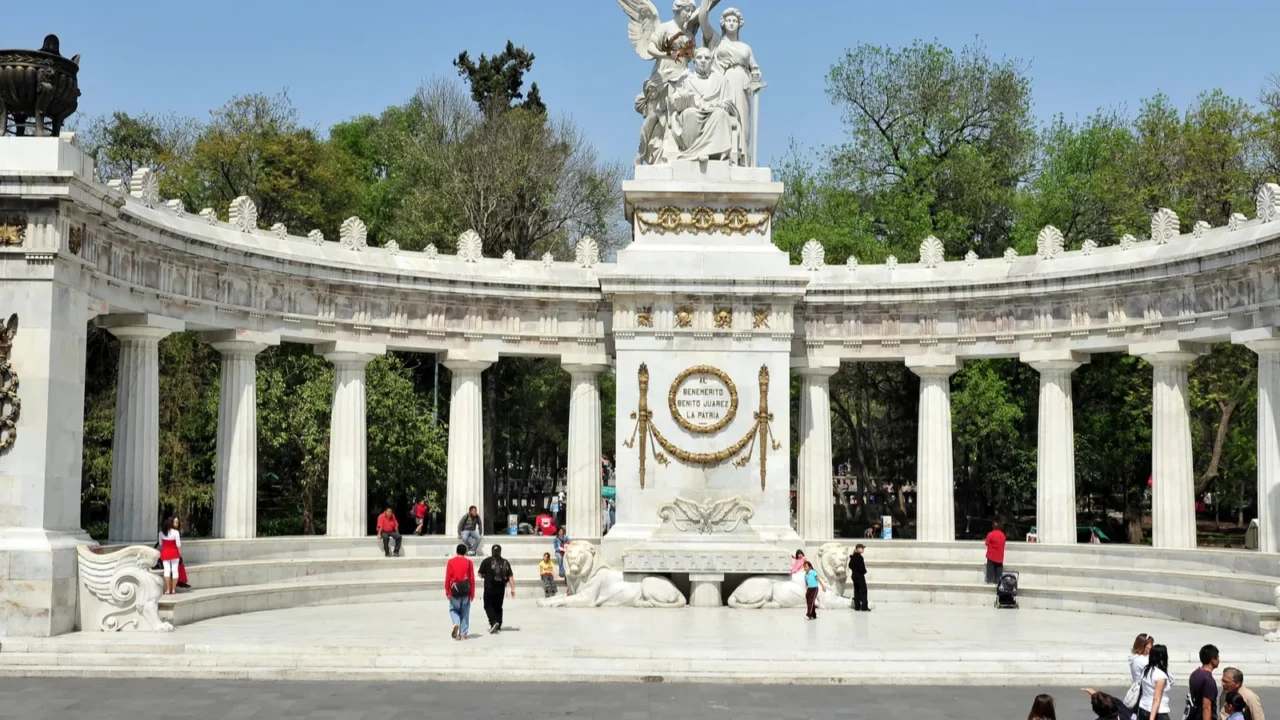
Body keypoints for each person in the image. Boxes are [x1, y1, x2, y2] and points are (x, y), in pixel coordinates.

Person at [478, 544, 516, 634]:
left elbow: (479, 574)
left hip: (489, 587)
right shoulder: (505, 562)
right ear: (500, 551)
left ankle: (494, 622)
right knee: (498, 607)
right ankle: (499, 624)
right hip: (501, 588)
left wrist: (485, 576)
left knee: (488, 605)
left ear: (492, 551)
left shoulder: (486, 561)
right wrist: (513, 588)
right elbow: (510, 576)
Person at [444, 543, 475, 641]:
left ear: (456, 551)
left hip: (455, 591)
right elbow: (471, 579)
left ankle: (456, 623)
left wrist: (447, 591)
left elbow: (448, 577)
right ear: (465, 552)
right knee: (465, 613)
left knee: (453, 610)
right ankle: (463, 634)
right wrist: (472, 593)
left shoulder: (451, 562)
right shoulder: (469, 562)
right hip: (466, 591)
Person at [1139, 644, 1174, 720]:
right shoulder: (1160, 676)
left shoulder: (1146, 670)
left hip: (1143, 708)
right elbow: (1156, 699)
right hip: (1158, 712)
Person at [1189, 645, 1220, 720]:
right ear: (1213, 660)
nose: (1219, 660)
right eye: (1218, 657)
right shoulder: (1208, 680)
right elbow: (1206, 707)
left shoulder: (1195, 674)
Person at [158, 516, 182, 596]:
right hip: (174, 553)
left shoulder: (161, 533)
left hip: (165, 553)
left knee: (167, 570)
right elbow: (178, 544)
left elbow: (161, 545)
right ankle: (173, 589)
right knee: (175, 570)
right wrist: (180, 553)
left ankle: (168, 589)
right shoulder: (176, 532)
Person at [849, 543, 869, 611]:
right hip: (859, 575)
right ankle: (864, 607)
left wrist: (855, 570)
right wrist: (864, 571)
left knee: (856, 590)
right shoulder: (860, 557)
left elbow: (850, 565)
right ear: (858, 549)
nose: (863, 549)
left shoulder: (853, 556)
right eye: (862, 548)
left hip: (854, 575)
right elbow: (862, 568)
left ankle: (857, 606)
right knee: (864, 590)